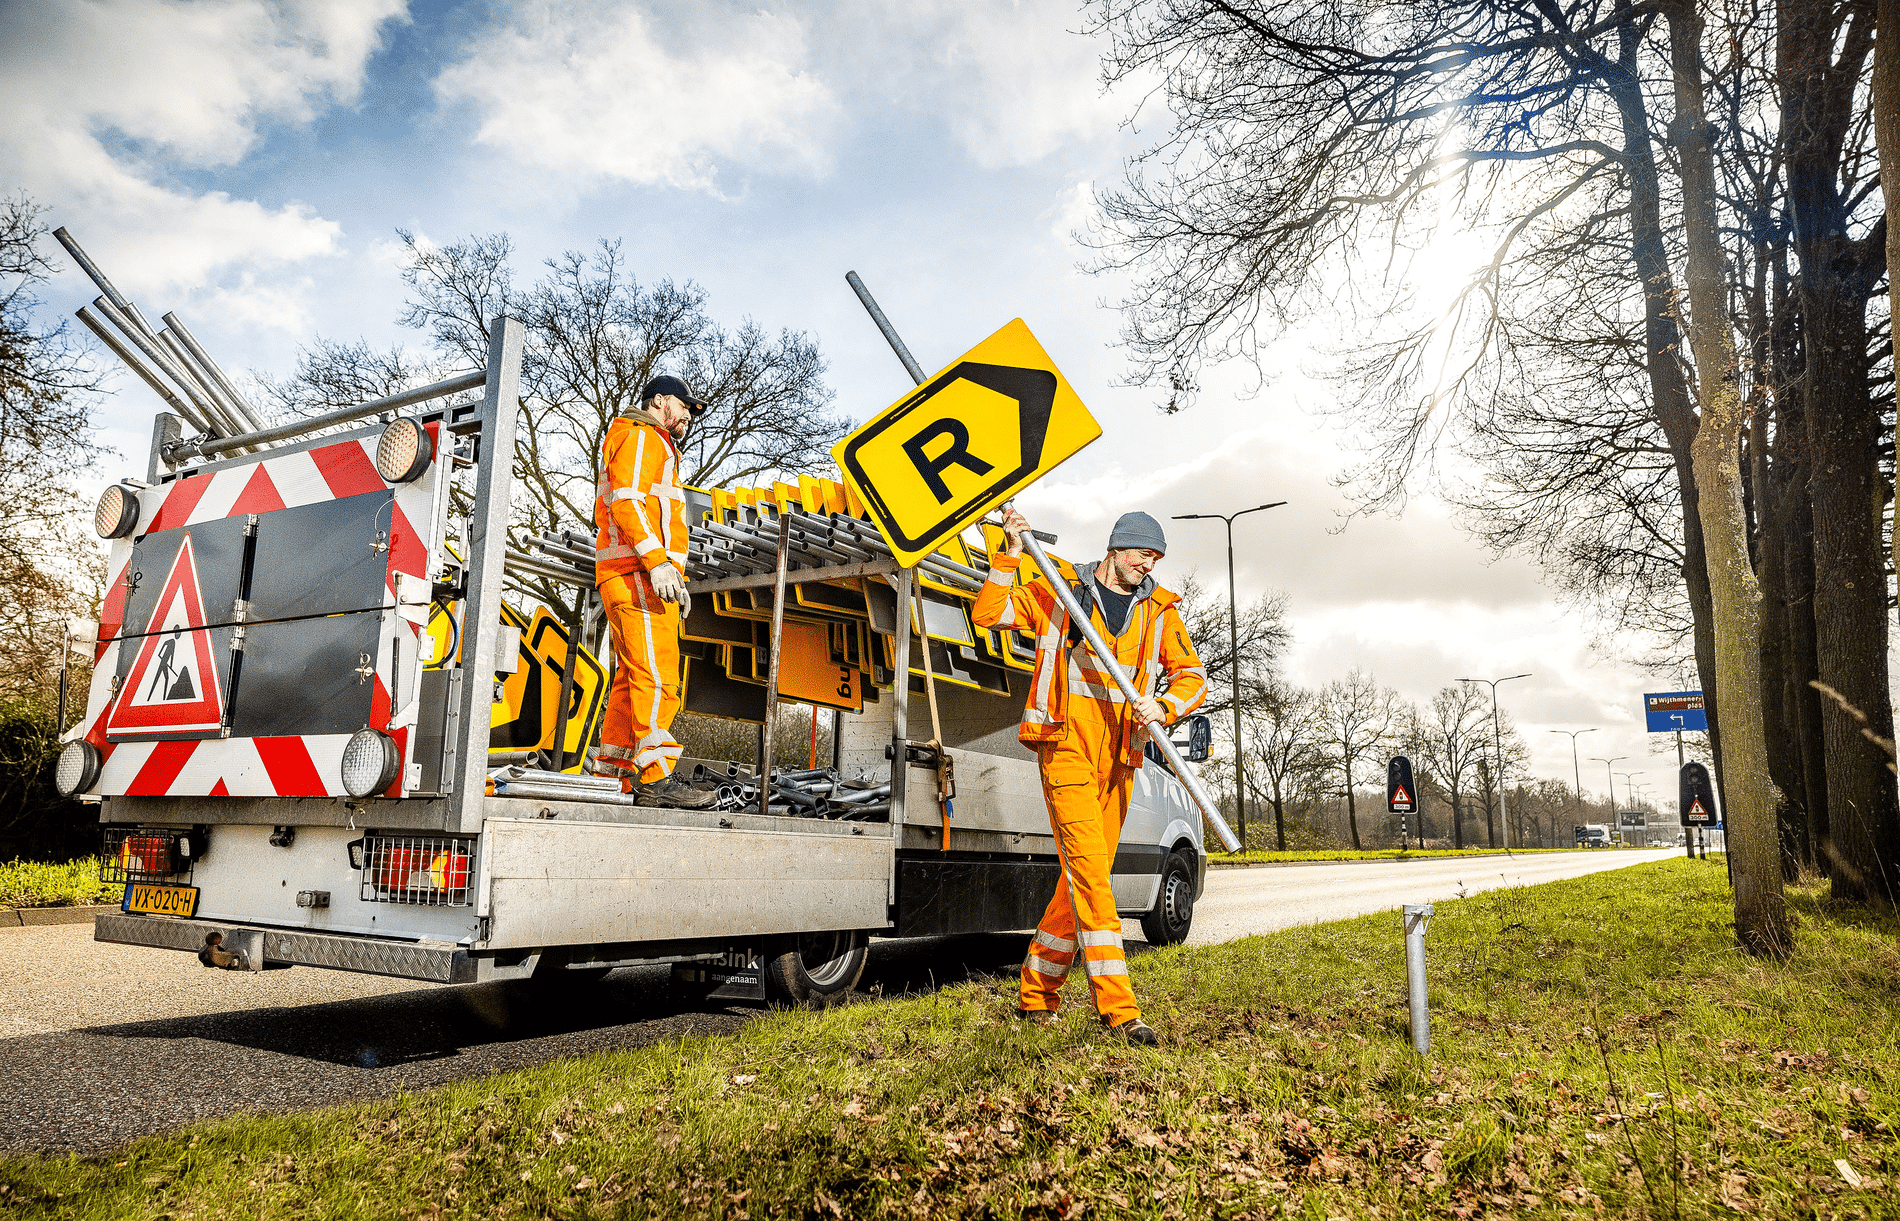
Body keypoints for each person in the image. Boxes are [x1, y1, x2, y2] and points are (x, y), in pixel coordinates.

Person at [972, 508, 1207, 1045]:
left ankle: (1036, 991)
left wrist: (1165, 705)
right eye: (1143, 552)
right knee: (1094, 877)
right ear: (1116, 548)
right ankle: (1120, 1010)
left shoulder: (1160, 611)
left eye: (1157, 557)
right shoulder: (1061, 587)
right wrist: (1009, 551)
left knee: (1081, 876)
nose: (1150, 563)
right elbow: (990, 614)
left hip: (1122, 754)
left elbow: (1193, 677)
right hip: (1066, 745)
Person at [592, 374, 715, 808]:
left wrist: (669, 572)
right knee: (658, 677)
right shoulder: (644, 435)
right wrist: (658, 562)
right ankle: (657, 777)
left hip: (630, 574)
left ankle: (614, 776)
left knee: (631, 679)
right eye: (684, 406)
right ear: (659, 401)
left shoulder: (641, 438)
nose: (688, 415)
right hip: (638, 575)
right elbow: (628, 501)